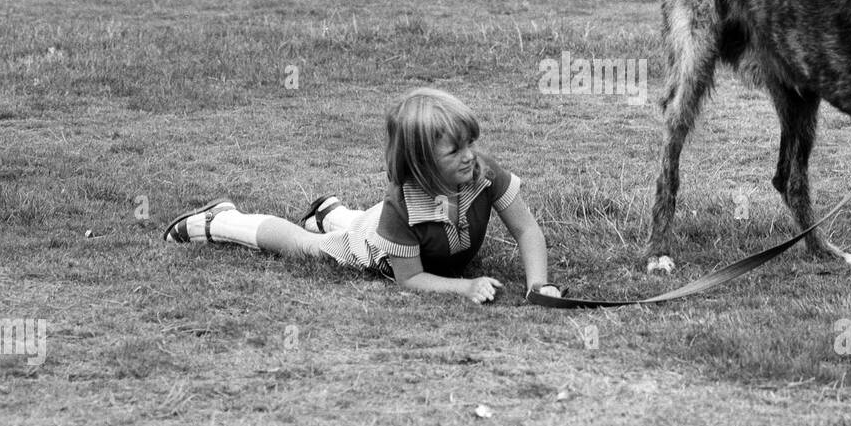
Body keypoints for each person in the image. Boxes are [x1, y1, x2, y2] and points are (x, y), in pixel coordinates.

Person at [163, 87, 560, 304]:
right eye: (454, 150)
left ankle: (329, 210)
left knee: (360, 221)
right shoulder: (401, 207)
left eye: (470, 142)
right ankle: (219, 221)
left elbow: (526, 230)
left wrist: (538, 286)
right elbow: (412, 278)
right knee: (306, 245)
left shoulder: (483, 173)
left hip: (376, 224)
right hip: (372, 247)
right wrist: (465, 287)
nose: (469, 155)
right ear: (421, 162)